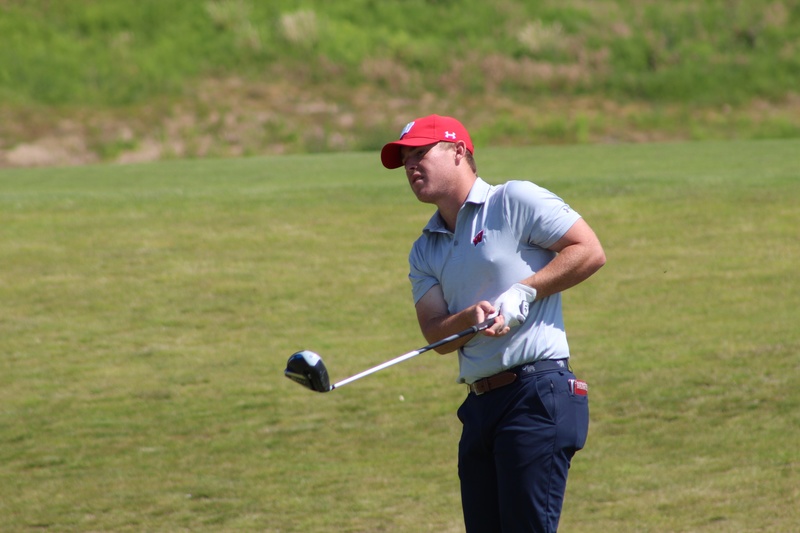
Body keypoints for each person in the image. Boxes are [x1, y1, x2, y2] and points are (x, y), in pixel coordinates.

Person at [380, 115, 606, 532]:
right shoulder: (424, 249)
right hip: (480, 407)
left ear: (459, 152)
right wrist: (467, 318)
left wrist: (525, 291)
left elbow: (589, 250)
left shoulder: (513, 200)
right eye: (405, 159)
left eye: (421, 153)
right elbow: (436, 334)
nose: (411, 166)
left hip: (536, 393)